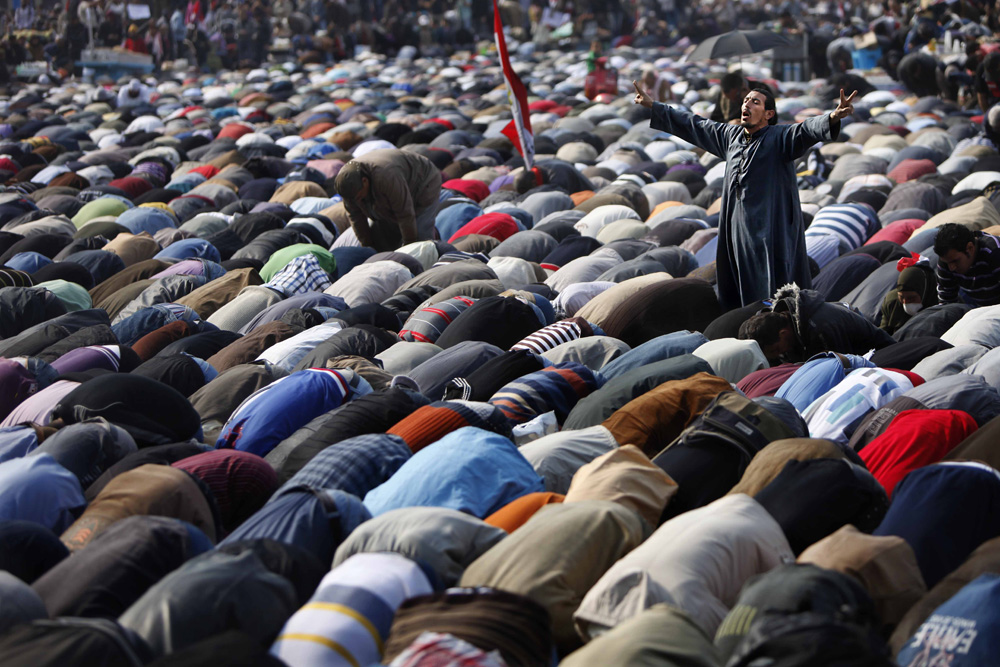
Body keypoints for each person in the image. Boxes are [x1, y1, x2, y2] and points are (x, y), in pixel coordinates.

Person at [633, 79, 857, 311]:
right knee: (737, 287)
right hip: (737, 230)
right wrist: (654, 106)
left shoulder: (780, 138)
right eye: (746, 100)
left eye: (755, 101)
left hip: (769, 233)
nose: (747, 104)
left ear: (769, 113)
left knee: (772, 288)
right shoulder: (731, 136)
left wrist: (833, 117)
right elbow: (694, 124)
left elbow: (805, 130)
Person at [738, 284, 895, 364]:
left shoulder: (820, 328)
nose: (779, 354)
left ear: (783, 334)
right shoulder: (795, 325)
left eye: (776, 350)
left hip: (882, 357)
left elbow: (841, 367)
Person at [334, 149, 443, 252]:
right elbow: (356, 218)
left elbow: (405, 214)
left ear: (365, 181)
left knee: (419, 235)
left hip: (423, 181)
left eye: (358, 197)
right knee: (383, 236)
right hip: (397, 183)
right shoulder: (346, 186)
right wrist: (369, 248)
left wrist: (409, 248)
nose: (356, 201)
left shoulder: (386, 177)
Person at [934, 222, 1000, 307]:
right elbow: (946, 301)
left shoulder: (994, 251)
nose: (951, 268)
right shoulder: (947, 260)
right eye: (948, 263)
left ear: (970, 248)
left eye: (955, 261)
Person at [879, 255, 938, 335]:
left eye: (911, 298)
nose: (905, 302)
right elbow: (883, 334)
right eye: (901, 297)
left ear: (924, 293)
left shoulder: (941, 301)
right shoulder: (892, 302)